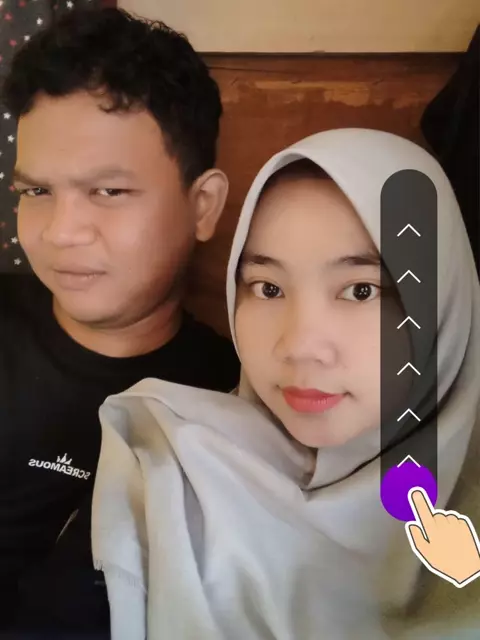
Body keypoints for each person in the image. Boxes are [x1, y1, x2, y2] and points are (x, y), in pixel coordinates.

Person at [92, 128, 480, 639]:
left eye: (362, 290)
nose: (298, 345)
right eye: (268, 288)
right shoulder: (169, 462)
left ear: (443, 300)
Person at [0, 6, 240, 634]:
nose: (60, 232)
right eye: (36, 191)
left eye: (108, 191)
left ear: (203, 205)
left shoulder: (230, 402)